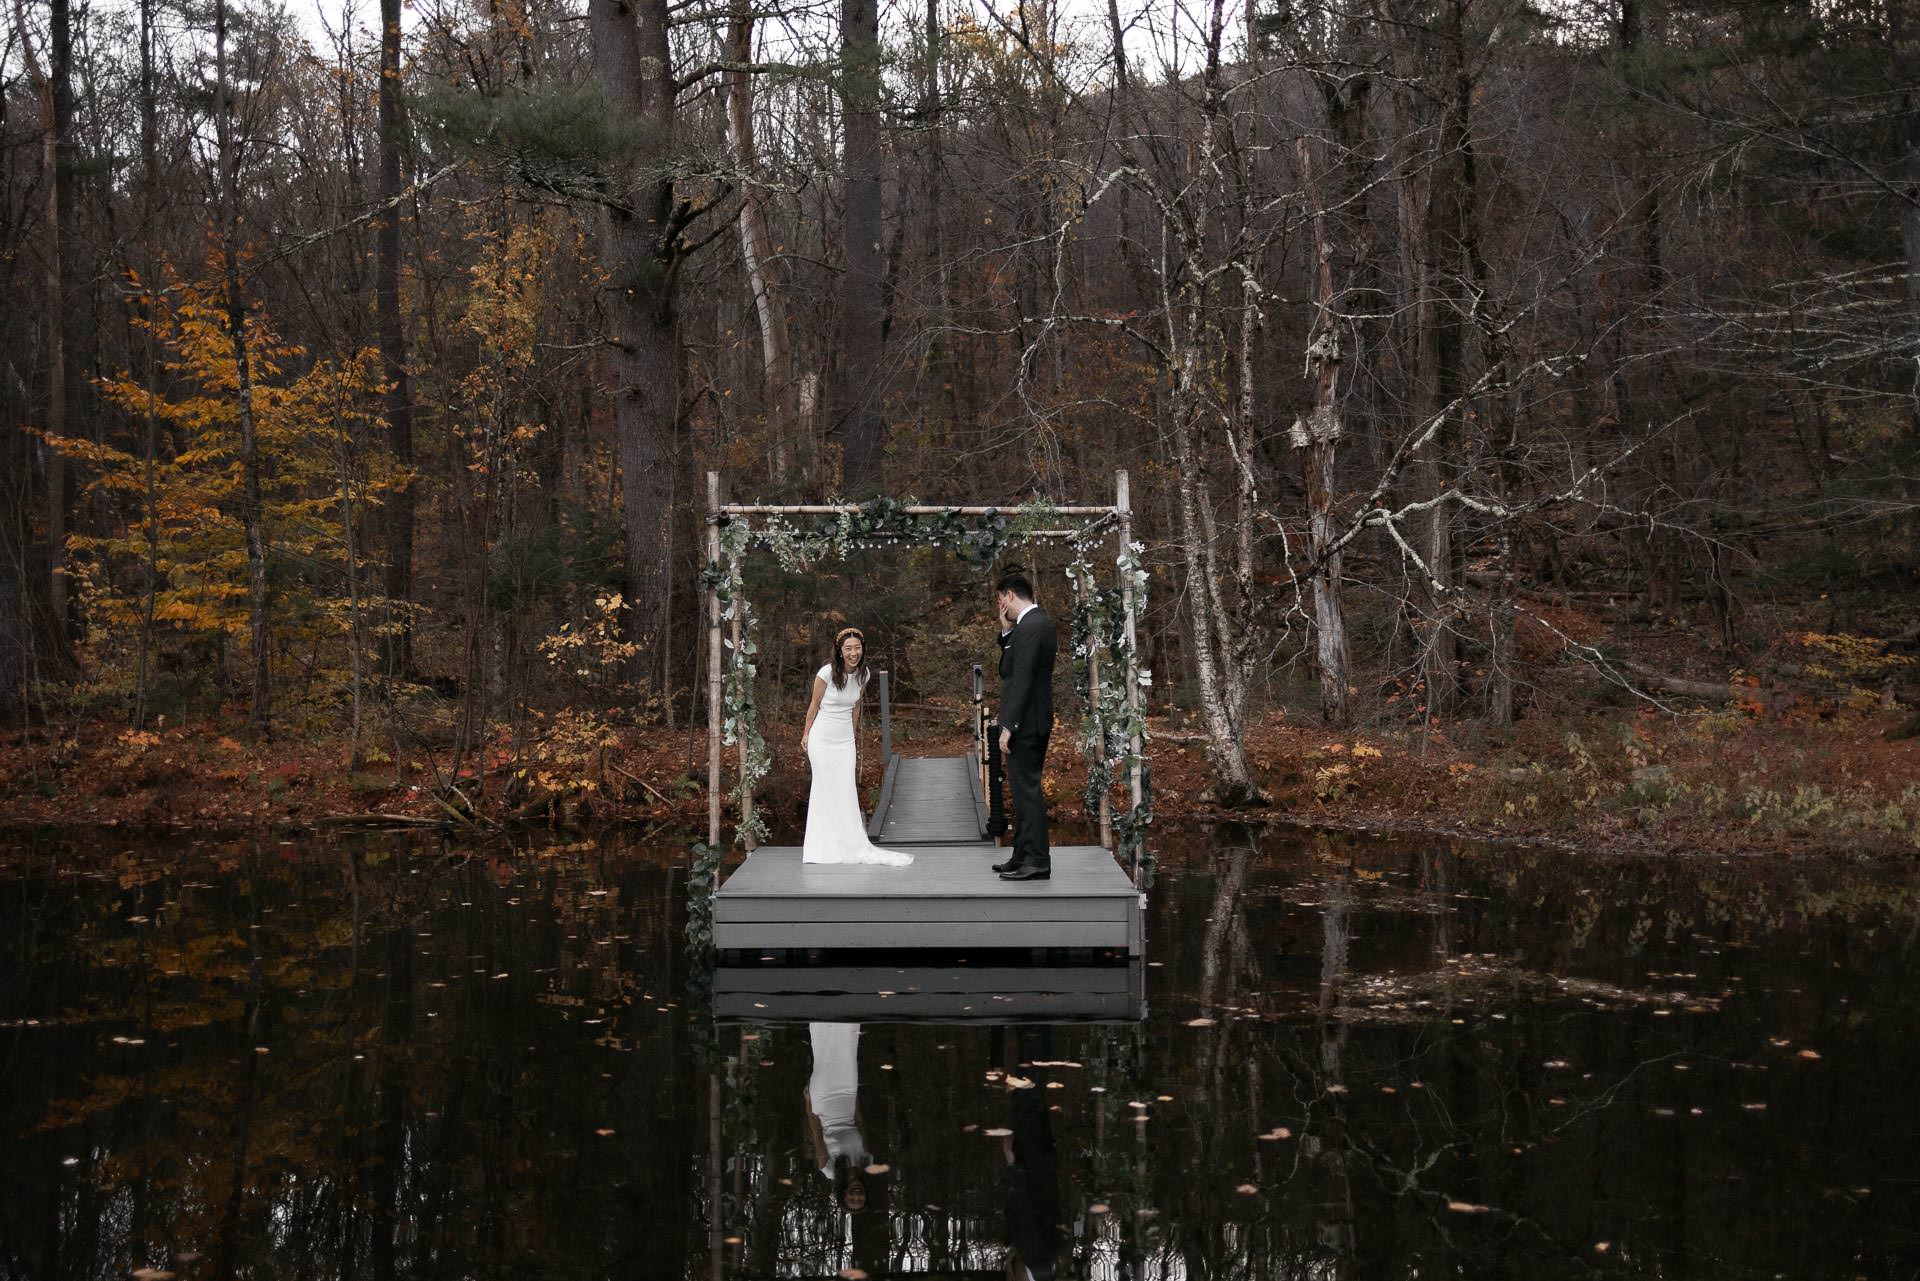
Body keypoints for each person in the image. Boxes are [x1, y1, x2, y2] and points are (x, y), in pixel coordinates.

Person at [801, 627, 912, 866]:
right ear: (840, 651)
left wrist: (852, 735)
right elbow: (814, 705)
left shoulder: (864, 675)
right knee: (824, 788)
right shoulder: (827, 673)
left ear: (863, 649)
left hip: (844, 741)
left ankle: (848, 842)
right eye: (848, 649)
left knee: (845, 789)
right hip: (822, 739)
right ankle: (822, 847)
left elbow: (856, 706)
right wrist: (806, 733)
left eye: (857, 648)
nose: (853, 653)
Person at [989, 573, 1057, 881]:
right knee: (1020, 791)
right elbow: (1007, 670)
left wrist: (1009, 725)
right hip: (1029, 721)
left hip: (1027, 723)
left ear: (1011, 595)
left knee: (1027, 792)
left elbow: (1023, 681)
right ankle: (1021, 856)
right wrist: (1006, 632)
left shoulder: (1032, 627)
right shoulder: (1028, 626)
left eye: (1001, 599)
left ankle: (1038, 862)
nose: (1001, 606)